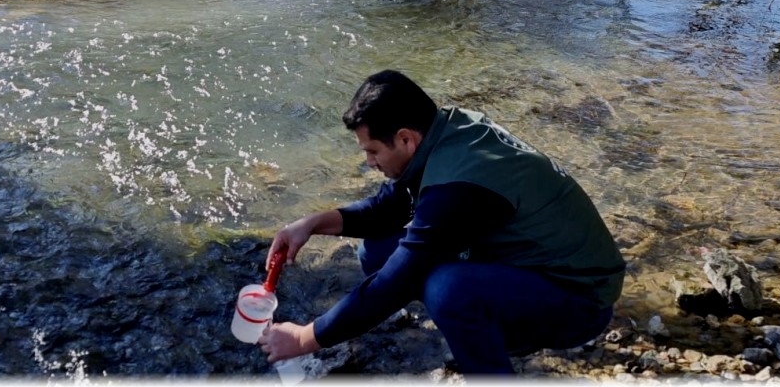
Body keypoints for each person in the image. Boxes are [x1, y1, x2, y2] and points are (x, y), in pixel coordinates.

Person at [256, 70, 626, 375]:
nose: (368, 162)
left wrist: (306, 338)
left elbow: (395, 280)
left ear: (404, 138)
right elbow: (391, 208)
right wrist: (312, 223)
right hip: (532, 263)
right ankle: (475, 329)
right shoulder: (444, 130)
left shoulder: (458, 188)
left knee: (446, 288)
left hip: (582, 299)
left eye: (372, 151)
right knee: (377, 249)